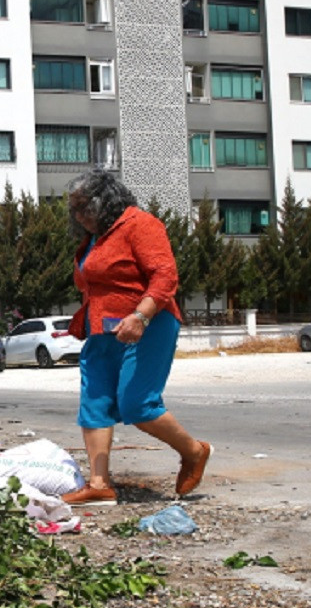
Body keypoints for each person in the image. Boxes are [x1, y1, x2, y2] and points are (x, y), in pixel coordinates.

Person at [60, 168, 211, 506]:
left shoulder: (140, 224)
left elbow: (165, 275)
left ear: (105, 200)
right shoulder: (94, 239)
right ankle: (99, 484)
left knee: (137, 404)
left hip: (148, 324)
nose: (79, 215)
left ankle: (194, 451)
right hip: (103, 331)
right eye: (75, 209)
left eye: (84, 207)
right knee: (94, 402)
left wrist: (141, 316)